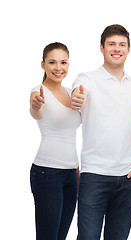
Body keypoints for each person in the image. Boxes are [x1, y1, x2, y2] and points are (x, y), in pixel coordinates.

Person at [71, 24, 131, 240]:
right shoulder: (88, 78)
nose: (117, 49)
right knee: (88, 237)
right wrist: (77, 96)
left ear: (129, 49)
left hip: (129, 176)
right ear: (102, 48)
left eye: (122, 45)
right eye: (112, 44)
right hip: (94, 174)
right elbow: (78, 92)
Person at [29, 42, 81, 240]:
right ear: (43, 65)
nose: (58, 68)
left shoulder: (70, 92)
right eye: (52, 62)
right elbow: (36, 110)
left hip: (71, 174)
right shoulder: (38, 91)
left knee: (61, 236)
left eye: (63, 62)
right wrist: (36, 105)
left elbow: (70, 136)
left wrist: (76, 169)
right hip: (47, 173)